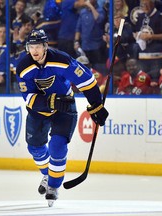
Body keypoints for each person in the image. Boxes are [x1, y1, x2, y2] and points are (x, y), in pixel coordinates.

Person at [15, 29, 109, 207]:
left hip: (64, 106)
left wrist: (96, 105)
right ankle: (47, 173)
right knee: (35, 148)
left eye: (38, 46)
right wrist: (50, 101)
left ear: (45, 46)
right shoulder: (23, 67)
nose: (34, 51)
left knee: (57, 145)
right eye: (31, 46)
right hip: (39, 111)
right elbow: (28, 98)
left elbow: (86, 81)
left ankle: (53, 186)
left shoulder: (62, 60)